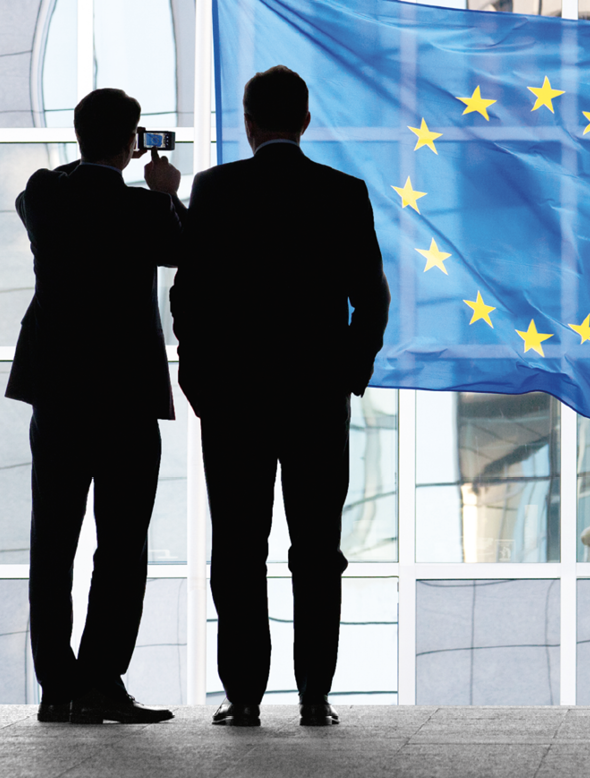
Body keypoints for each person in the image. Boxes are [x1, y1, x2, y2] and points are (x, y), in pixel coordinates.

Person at [171, 65, 390, 727]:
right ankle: (315, 696)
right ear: (303, 121)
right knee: (317, 551)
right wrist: (346, 374)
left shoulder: (214, 189)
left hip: (233, 402)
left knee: (239, 547)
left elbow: (188, 298)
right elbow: (371, 300)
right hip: (316, 400)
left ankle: (242, 697)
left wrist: (199, 381)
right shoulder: (343, 192)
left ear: (249, 121)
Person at [6, 88, 185, 724]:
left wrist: (102, 160)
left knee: (52, 540)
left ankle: (56, 686)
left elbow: (38, 191)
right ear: (133, 141)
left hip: (55, 391)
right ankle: (101, 681)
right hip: (125, 397)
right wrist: (165, 190)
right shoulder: (143, 209)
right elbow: (185, 250)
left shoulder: (46, 195)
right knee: (120, 542)